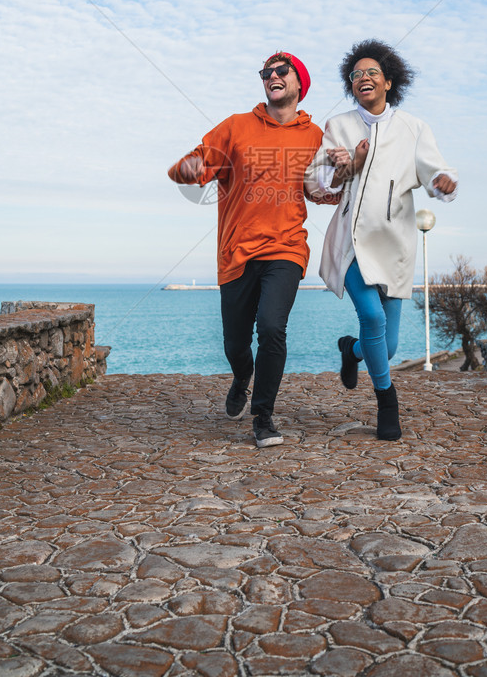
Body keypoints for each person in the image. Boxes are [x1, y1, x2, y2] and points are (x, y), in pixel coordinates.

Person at [168, 52, 323, 448]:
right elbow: (197, 163)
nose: (272, 76)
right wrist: (186, 169)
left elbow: (322, 190)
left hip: (287, 246)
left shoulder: (314, 136)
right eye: (266, 72)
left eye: (281, 71)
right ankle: (241, 375)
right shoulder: (236, 127)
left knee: (273, 327)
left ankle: (264, 417)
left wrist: (343, 170)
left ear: (298, 83)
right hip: (236, 252)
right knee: (235, 344)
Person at [305, 39, 457, 440]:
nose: (363, 78)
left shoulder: (414, 128)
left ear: (389, 82)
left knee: (384, 348)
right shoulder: (338, 126)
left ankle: (350, 350)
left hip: (396, 245)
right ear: (350, 85)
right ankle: (387, 402)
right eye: (356, 74)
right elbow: (316, 179)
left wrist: (443, 183)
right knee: (371, 318)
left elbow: (434, 171)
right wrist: (342, 168)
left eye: (372, 72)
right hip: (352, 242)